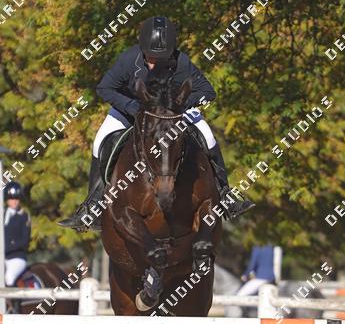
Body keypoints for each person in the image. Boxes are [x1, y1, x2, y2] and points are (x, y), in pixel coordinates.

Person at [59, 15, 254, 229]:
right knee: (99, 141)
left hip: (171, 114)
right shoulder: (129, 60)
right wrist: (130, 106)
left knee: (207, 136)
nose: (154, 63)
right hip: (129, 111)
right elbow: (104, 88)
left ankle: (225, 194)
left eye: (160, 58)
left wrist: (179, 105)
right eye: (150, 57)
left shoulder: (181, 62)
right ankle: (93, 206)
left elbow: (208, 92)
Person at [4, 181, 31, 286]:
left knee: (9, 278)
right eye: (11, 198)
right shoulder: (1, 215)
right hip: (1, 258)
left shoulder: (24, 216)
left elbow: (24, 241)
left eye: (16, 199)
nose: (14, 201)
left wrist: (7, 248)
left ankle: (14, 298)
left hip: (16, 258)